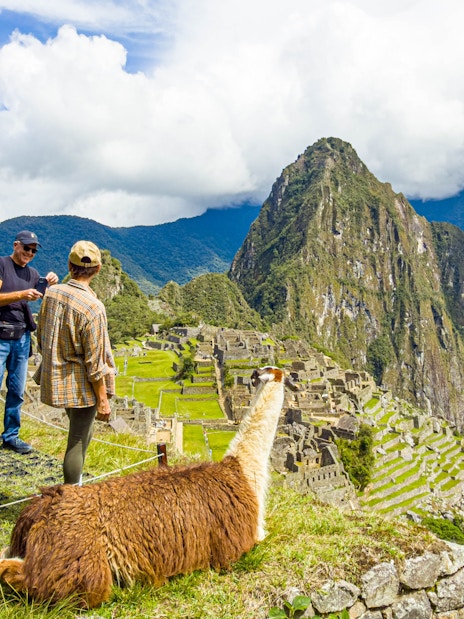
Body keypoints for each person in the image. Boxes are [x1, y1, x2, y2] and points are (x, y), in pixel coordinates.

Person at [35, 240, 115, 484]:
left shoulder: (52, 293)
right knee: (78, 439)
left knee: (82, 432)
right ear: (98, 269)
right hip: (82, 384)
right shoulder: (93, 307)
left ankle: (74, 485)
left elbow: (42, 333)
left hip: (58, 375)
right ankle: (71, 494)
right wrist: (102, 400)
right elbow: (95, 361)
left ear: (70, 266)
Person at [0, 230, 58, 454]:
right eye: (26, 248)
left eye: (33, 250)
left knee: (17, 390)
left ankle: (11, 436)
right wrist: (21, 295)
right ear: (16, 245)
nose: (30, 253)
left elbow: (43, 296)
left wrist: (50, 283)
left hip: (22, 336)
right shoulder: (2, 265)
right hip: (1, 335)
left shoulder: (33, 273)